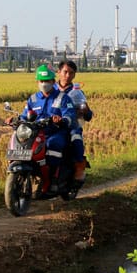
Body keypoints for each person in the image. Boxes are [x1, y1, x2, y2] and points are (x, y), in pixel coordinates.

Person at [18, 64, 77, 194]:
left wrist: (61, 120)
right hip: (35, 133)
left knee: (52, 145)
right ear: (37, 82)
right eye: (42, 81)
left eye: (48, 81)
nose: (45, 84)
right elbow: (25, 115)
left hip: (55, 132)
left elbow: (70, 114)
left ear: (53, 81)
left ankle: (53, 178)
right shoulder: (33, 99)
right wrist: (15, 120)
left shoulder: (62, 97)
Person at [56, 59, 92, 186]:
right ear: (59, 72)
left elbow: (88, 115)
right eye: (65, 72)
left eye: (71, 73)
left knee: (76, 136)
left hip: (71, 125)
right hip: (51, 124)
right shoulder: (51, 90)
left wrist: (85, 110)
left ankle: (79, 166)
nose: (67, 76)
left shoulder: (77, 93)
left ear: (74, 75)